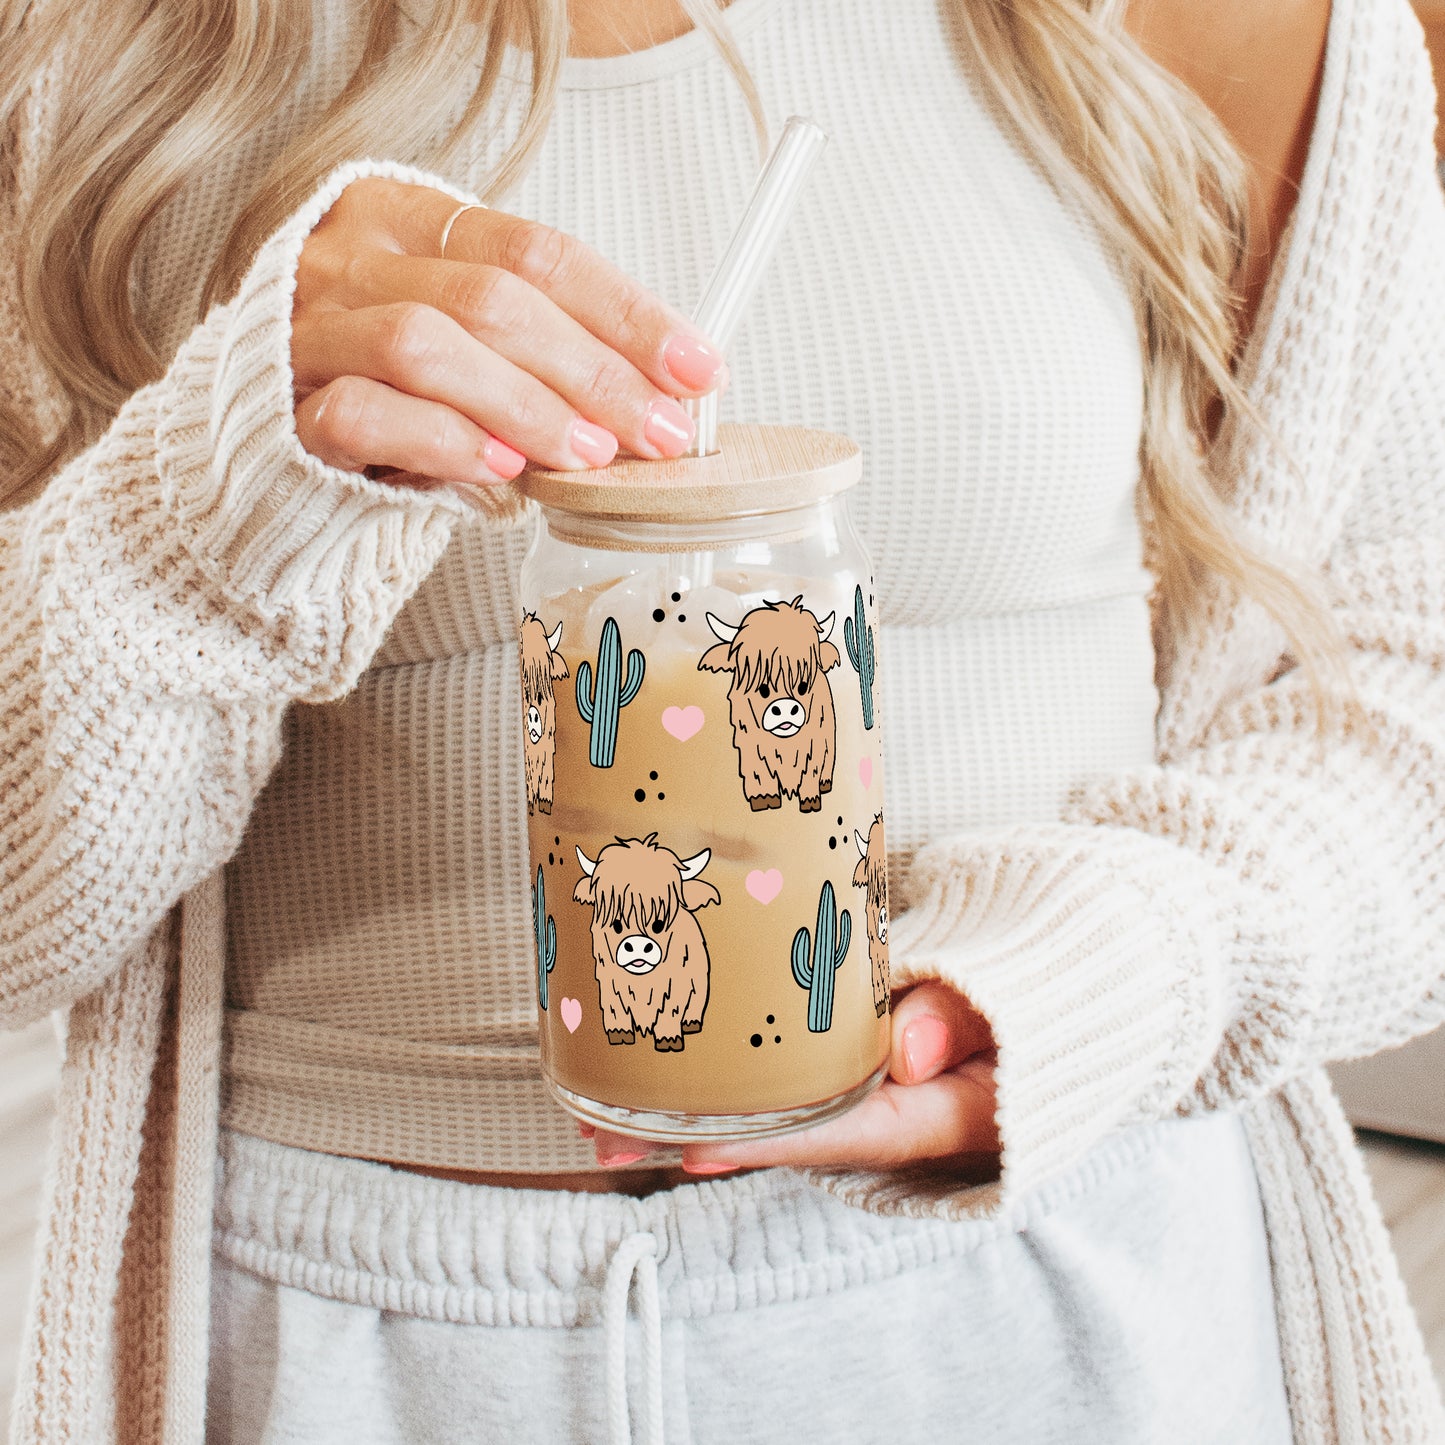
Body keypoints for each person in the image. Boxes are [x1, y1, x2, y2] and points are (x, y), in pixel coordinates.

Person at [2, 0, 1442, 1439]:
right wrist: (206, 506)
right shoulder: (91, 59)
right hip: (354, 1353)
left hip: (1065, 1307)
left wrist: (1104, 966)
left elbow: (1409, 697)